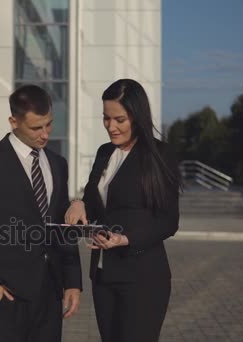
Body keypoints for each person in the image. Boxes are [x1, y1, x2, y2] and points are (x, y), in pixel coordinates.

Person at [0, 85, 82, 342]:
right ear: (14, 121)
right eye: (36, 128)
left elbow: (62, 228)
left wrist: (72, 280)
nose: (45, 134)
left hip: (51, 290)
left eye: (49, 124)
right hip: (6, 294)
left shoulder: (58, 164)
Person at [64, 79, 181, 342]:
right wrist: (80, 202)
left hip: (143, 278)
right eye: (106, 118)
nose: (111, 126)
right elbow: (96, 202)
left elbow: (168, 221)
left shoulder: (160, 155)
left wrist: (125, 239)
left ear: (137, 117)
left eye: (119, 119)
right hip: (103, 277)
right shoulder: (104, 152)